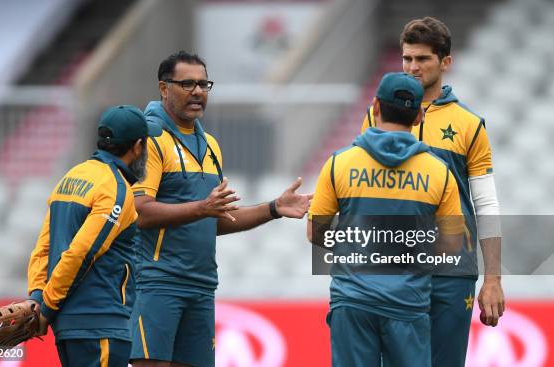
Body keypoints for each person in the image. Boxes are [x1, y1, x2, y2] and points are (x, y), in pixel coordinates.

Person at [129, 51, 312, 367]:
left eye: (203, 84)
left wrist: (273, 208)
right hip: (158, 282)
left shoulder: (210, 144)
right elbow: (140, 212)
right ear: (163, 88)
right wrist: (202, 208)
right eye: (187, 83)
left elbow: (214, 218)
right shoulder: (150, 138)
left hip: (201, 284)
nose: (198, 91)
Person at [361, 17, 505, 367]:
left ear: (445, 62)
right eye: (407, 58)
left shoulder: (470, 124)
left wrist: (493, 279)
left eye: (422, 59)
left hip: (451, 272)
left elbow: (485, 203)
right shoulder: (375, 116)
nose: (412, 67)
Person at [309, 72, 464, 367]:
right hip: (408, 302)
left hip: (351, 302)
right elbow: (452, 245)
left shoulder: (338, 163)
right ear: (419, 116)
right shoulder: (439, 172)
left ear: (375, 107)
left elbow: (315, 233)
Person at [27, 105, 158, 367]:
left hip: (70, 326)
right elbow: (81, 252)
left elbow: (43, 248)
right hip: (101, 322)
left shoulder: (72, 176)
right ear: (138, 146)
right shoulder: (117, 189)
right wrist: (46, 308)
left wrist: (37, 297)